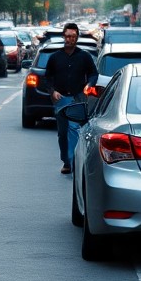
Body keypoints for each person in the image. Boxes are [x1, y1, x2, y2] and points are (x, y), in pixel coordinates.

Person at [42, 22, 97, 175]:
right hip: (61, 99)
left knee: (74, 129)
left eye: (72, 36)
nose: (69, 39)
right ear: (63, 37)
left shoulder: (84, 56)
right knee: (62, 132)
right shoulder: (55, 57)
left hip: (77, 98)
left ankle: (74, 161)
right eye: (67, 36)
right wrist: (52, 91)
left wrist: (89, 84)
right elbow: (47, 78)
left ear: (77, 38)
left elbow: (94, 73)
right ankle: (66, 160)